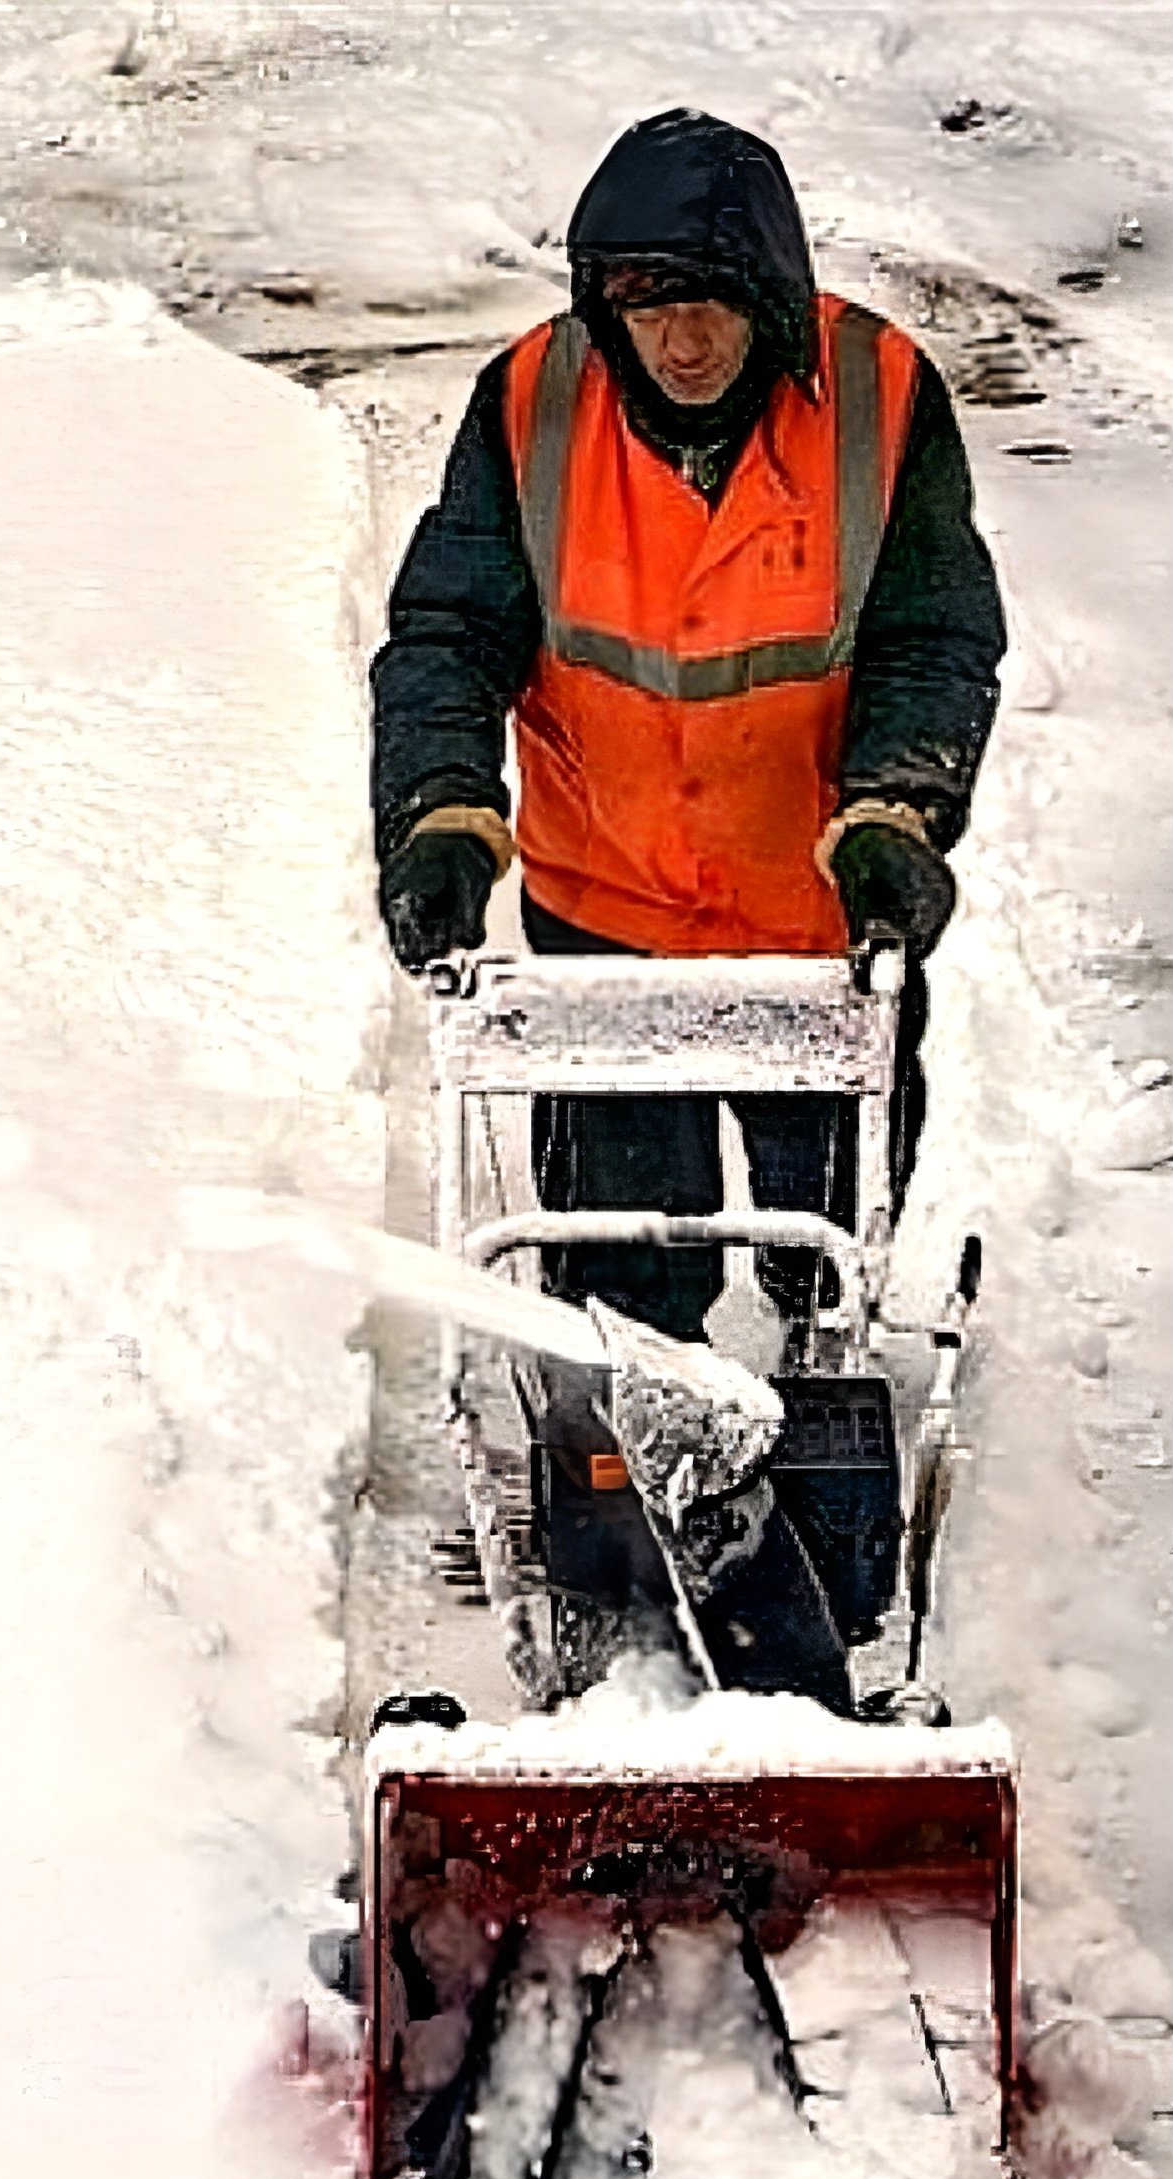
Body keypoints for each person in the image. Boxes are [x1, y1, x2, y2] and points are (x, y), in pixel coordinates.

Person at [371, 106, 1005, 1355]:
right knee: (619, 1251)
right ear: (604, 301)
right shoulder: (531, 404)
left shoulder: (878, 399)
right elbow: (451, 628)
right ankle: (643, 1413)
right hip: (603, 905)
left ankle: (818, 1348)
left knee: (825, 1227)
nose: (685, 337)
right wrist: (440, 808)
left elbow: (932, 633)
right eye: (649, 302)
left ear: (773, 294)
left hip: (821, 917)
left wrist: (900, 809)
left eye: (716, 300)